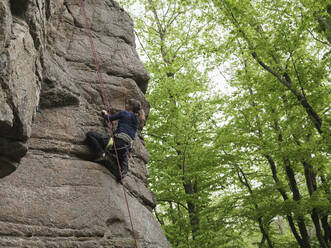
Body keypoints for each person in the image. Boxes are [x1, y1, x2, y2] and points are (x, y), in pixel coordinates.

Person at [86, 99, 145, 180]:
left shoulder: (124, 113)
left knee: (90, 135)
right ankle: (122, 172)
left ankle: (101, 154)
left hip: (114, 144)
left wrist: (105, 113)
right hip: (124, 150)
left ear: (131, 106)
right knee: (123, 164)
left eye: (127, 104)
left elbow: (109, 118)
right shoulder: (137, 121)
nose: (125, 106)